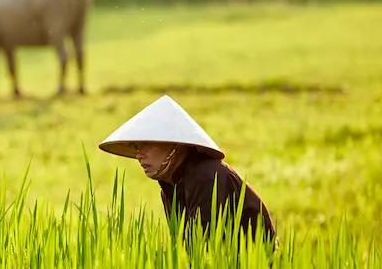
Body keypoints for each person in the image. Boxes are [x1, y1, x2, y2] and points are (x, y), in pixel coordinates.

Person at [99, 95, 275, 242]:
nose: (139, 155)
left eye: (146, 145)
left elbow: (202, 247)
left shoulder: (207, 177)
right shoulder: (170, 186)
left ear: (174, 143)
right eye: (136, 147)